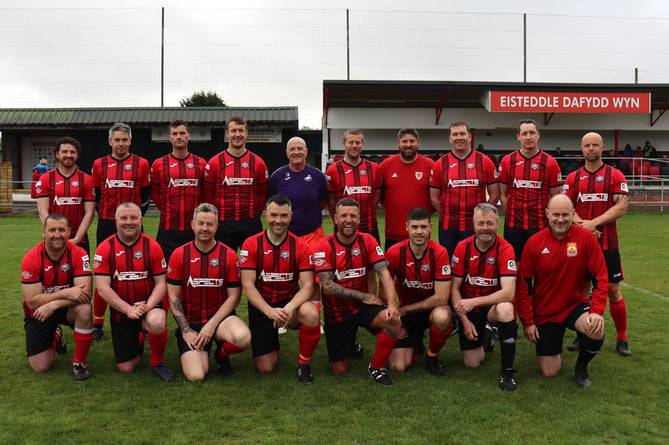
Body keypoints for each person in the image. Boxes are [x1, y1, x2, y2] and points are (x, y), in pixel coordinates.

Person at [516, 194, 608, 388]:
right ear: (547, 214)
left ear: (573, 214)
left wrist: (597, 311)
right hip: (545, 312)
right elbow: (523, 286)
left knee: (595, 329)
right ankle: (556, 344)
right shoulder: (534, 243)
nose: (560, 219)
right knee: (549, 372)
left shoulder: (586, 238)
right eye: (556, 214)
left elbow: (601, 276)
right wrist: (528, 322)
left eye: (565, 215)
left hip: (574, 304)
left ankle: (581, 368)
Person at [314, 197, 401, 385]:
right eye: (344, 215)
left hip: (363, 307)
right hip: (337, 312)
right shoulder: (324, 246)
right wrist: (364, 295)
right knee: (339, 369)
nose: (348, 220)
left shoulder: (367, 240)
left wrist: (393, 306)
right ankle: (351, 342)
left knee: (393, 320)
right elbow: (327, 287)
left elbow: (383, 273)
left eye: (353, 216)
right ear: (335, 218)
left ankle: (376, 367)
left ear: (359, 219)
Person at [562, 132, 631, 356]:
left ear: (603, 148)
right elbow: (566, 208)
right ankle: (583, 333)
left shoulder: (615, 174)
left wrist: (592, 224)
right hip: (579, 244)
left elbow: (621, 207)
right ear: (582, 149)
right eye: (586, 145)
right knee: (582, 289)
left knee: (612, 289)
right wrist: (584, 227)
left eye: (595, 145)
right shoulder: (573, 177)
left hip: (608, 243)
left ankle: (622, 337)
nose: (591, 149)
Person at [240, 195, 321, 382]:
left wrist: (288, 309)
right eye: (274, 215)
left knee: (311, 313)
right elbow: (248, 285)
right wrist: (269, 311)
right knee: (266, 367)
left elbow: (309, 286)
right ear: (266, 216)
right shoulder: (251, 244)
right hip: (262, 306)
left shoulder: (301, 246)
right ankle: (270, 341)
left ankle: (304, 365)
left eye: (283, 216)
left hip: (288, 304)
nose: (278, 220)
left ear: (290, 217)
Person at [166, 203, 250, 381]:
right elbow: (173, 297)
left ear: (217, 227)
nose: (205, 228)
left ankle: (221, 354)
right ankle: (198, 347)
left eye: (210, 224)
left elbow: (234, 296)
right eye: (201, 223)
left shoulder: (229, 255)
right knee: (196, 375)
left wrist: (211, 326)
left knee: (243, 338)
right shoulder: (179, 255)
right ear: (192, 225)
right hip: (192, 322)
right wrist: (185, 330)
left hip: (220, 320)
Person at [93, 202, 174, 381]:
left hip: (148, 307)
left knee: (158, 321)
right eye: (124, 218)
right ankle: (137, 337)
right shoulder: (104, 248)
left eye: (133, 218)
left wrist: (148, 306)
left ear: (141, 220)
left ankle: (157, 363)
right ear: (116, 221)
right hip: (122, 312)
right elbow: (103, 288)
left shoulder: (152, 246)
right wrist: (128, 309)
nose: (128, 222)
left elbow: (161, 283)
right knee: (126, 368)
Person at [90, 122, 151, 340]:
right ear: (110, 141)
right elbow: (96, 195)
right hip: (107, 224)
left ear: (130, 141)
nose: (121, 144)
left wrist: (130, 219)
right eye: (117, 140)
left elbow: (145, 196)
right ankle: (97, 322)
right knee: (104, 274)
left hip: (133, 226)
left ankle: (140, 317)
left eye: (125, 139)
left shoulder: (142, 164)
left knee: (136, 273)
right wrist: (112, 218)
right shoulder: (99, 165)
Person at [450, 203, 518, 391]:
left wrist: (474, 302)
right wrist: (463, 320)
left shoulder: (506, 249)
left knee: (506, 308)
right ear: (473, 224)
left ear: (498, 223)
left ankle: (507, 372)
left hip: (490, 307)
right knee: (473, 362)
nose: (485, 228)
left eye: (490, 223)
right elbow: (454, 289)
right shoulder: (462, 247)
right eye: (481, 223)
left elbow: (508, 293)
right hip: (469, 310)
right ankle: (486, 334)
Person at [20, 213, 94, 381]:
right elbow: (32, 301)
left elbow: (86, 293)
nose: (57, 234)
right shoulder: (31, 258)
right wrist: (65, 293)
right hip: (39, 311)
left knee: (84, 309)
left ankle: (79, 363)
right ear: (44, 232)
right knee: (40, 367)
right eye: (52, 230)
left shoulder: (79, 253)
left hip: (64, 307)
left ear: (69, 232)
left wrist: (53, 304)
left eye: (62, 230)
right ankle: (56, 335)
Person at [267, 137, 328, 329]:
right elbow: (271, 204)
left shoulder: (317, 176)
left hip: (313, 235)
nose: (296, 152)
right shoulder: (277, 176)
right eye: (292, 149)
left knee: (315, 279)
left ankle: (315, 319)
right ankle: (284, 318)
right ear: (287, 153)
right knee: (285, 277)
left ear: (306, 151)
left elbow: (323, 202)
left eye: (299, 149)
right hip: (286, 237)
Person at [385, 207, 453, 376]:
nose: (419, 232)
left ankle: (432, 356)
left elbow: (442, 298)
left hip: (430, 310)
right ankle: (416, 343)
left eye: (423, 227)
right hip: (407, 314)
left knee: (442, 316)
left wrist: (405, 309)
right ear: (406, 227)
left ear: (430, 228)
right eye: (415, 227)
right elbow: (384, 289)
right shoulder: (393, 253)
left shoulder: (440, 253)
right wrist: (390, 317)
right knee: (397, 366)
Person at [430, 121, 499, 257]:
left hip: (475, 225)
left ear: (470, 137)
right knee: (449, 264)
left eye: (462, 134)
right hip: (448, 226)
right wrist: (450, 213)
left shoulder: (485, 161)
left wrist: (482, 216)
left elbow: (495, 194)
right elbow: (434, 198)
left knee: (476, 262)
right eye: (455, 134)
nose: (459, 137)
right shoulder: (440, 164)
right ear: (450, 139)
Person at [498, 119, 562, 260]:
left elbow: (556, 198)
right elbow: (503, 194)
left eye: (532, 133)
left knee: (543, 265)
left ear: (538, 135)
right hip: (514, 225)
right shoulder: (507, 161)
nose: (528, 137)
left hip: (541, 225)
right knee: (515, 265)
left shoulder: (550, 163)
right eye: (524, 133)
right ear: (518, 137)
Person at [204, 116, 269, 251]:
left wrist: (252, 215)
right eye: (233, 131)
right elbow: (208, 195)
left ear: (246, 133)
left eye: (241, 130)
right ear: (227, 134)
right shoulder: (215, 162)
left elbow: (263, 195)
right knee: (224, 265)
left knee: (255, 264)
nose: (237, 135)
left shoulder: (258, 163)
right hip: (223, 223)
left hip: (250, 222)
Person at [151, 120, 207, 261]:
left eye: (182, 133)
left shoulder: (201, 163)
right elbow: (156, 194)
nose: (179, 137)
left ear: (189, 136)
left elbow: (206, 193)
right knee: (166, 273)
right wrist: (168, 210)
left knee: (195, 269)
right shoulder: (159, 164)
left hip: (194, 229)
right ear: (170, 138)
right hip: (168, 229)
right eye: (175, 134)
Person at [378, 128, 435, 250]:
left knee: (422, 268)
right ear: (398, 143)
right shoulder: (385, 166)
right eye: (404, 141)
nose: (408, 145)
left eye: (412, 141)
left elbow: (435, 197)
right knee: (392, 268)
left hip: (421, 233)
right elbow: (380, 197)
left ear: (418, 143)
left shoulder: (430, 165)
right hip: (393, 232)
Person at [36, 137, 95, 253]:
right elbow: (43, 211)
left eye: (72, 152)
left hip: (80, 240)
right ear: (57, 154)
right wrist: (54, 235)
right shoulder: (46, 179)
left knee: (81, 271)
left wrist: (77, 238)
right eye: (64, 152)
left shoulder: (86, 179)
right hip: (53, 240)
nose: (68, 155)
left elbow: (89, 212)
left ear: (77, 155)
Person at [325, 129, 381, 242]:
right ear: (343, 144)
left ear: (362, 144)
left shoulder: (374, 168)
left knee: (372, 259)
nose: (354, 146)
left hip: (369, 229)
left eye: (358, 142)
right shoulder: (333, 170)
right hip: (342, 230)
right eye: (351, 142)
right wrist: (342, 220)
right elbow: (331, 203)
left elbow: (376, 197)